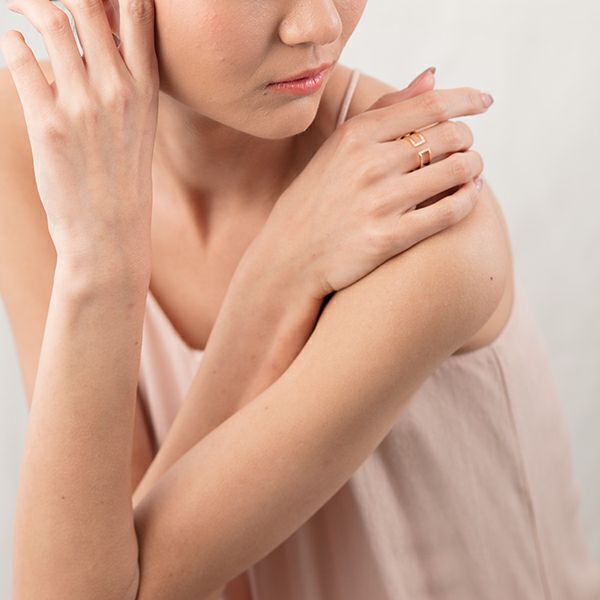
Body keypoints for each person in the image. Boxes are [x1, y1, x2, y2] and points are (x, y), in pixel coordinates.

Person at [0, 0, 598, 599]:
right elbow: (103, 554)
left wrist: (116, 263)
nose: (321, 24)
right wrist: (268, 275)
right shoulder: (32, 134)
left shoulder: (427, 216)